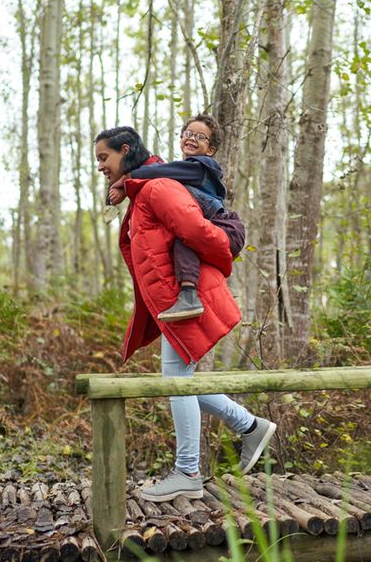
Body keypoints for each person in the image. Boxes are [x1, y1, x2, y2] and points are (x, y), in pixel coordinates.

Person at [95, 125, 276, 502]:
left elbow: (198, 231)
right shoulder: (147, 187)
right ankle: (250, 426)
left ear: (125, 151)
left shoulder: (158, 187)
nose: (99, 166)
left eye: (103, 158)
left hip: (187, 301)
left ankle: (188, 471)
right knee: (179, 379)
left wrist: (223, 254)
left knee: (177, 382)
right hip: (176, 304)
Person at [108, 114, 239, 322]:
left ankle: (189, 295)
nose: (193, 138)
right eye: (188, 133)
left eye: (201, 137)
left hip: (225, 226)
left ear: (211, 150)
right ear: (180, 138)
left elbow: (161, 171)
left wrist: (127, 179)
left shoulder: (200, 166)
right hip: (216, 224)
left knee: (184, 238)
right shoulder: (186, 171)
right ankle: (197, 297)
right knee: (184, 241)